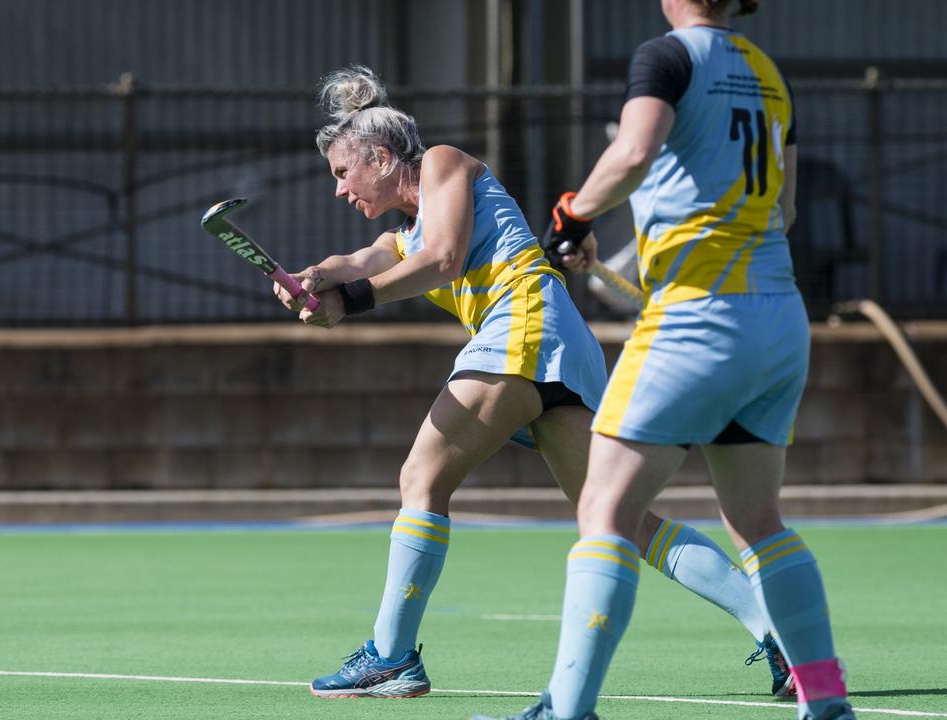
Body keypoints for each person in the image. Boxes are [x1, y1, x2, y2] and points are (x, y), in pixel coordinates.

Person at [279, 64, 791, 702]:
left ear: (381, 157)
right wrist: (314, 280)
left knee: (420, 478)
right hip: (560, 348)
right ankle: (781, 633)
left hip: (524, 330)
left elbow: (440, 258)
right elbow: (360, 263)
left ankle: (390, 656)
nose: (338, 190)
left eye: (341, 172)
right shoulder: (399, 230)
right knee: (623, 519)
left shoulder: (442, 164)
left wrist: (352, 300)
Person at [473, 2, 855, 719]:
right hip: (777, 315)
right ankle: (826, 702)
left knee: (605, 507)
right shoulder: (768, 73)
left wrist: (573, 217)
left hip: (696, 318)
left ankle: (568, 710)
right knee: (757, 519)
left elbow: (634, 152)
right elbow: (788, 210)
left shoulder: (669, 56)